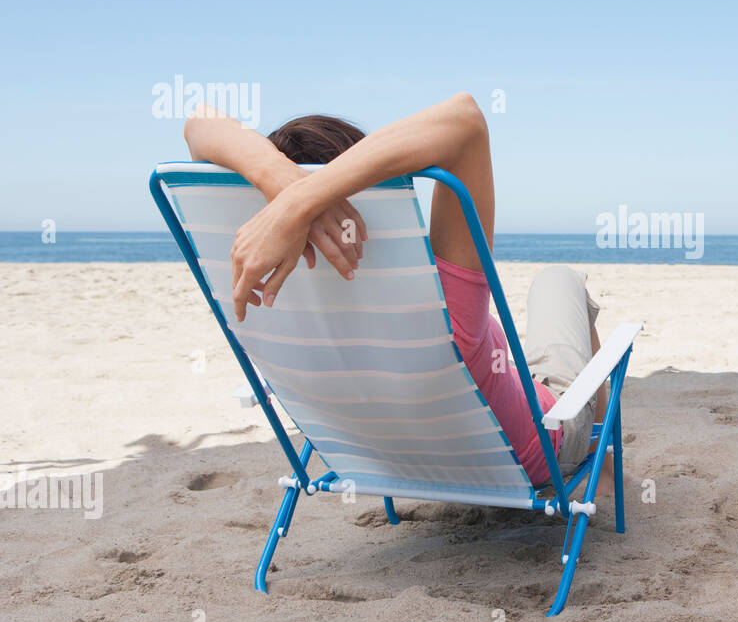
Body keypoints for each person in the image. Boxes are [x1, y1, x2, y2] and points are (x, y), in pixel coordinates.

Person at [182, 94, 608, 489]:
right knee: (558, 278)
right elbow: (465, 120)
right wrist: (304, 200)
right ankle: (604, 469)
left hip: (388, 461)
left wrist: (285, 194)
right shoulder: (440, 303)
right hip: (530, 453)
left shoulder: (261, 301)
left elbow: (197, 122)